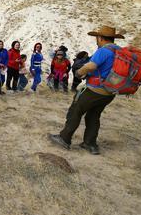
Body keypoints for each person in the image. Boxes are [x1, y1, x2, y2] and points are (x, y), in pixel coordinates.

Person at [49, 26, 125, 155]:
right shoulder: (119, 51)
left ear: (100, 38)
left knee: (75, 110)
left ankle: (64, 138)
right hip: (110, 92)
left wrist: (79, 72)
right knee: (94, 116)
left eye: (97, 37)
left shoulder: (103, 51)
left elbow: (91, 66)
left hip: (95, 90)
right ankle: (90, 144)